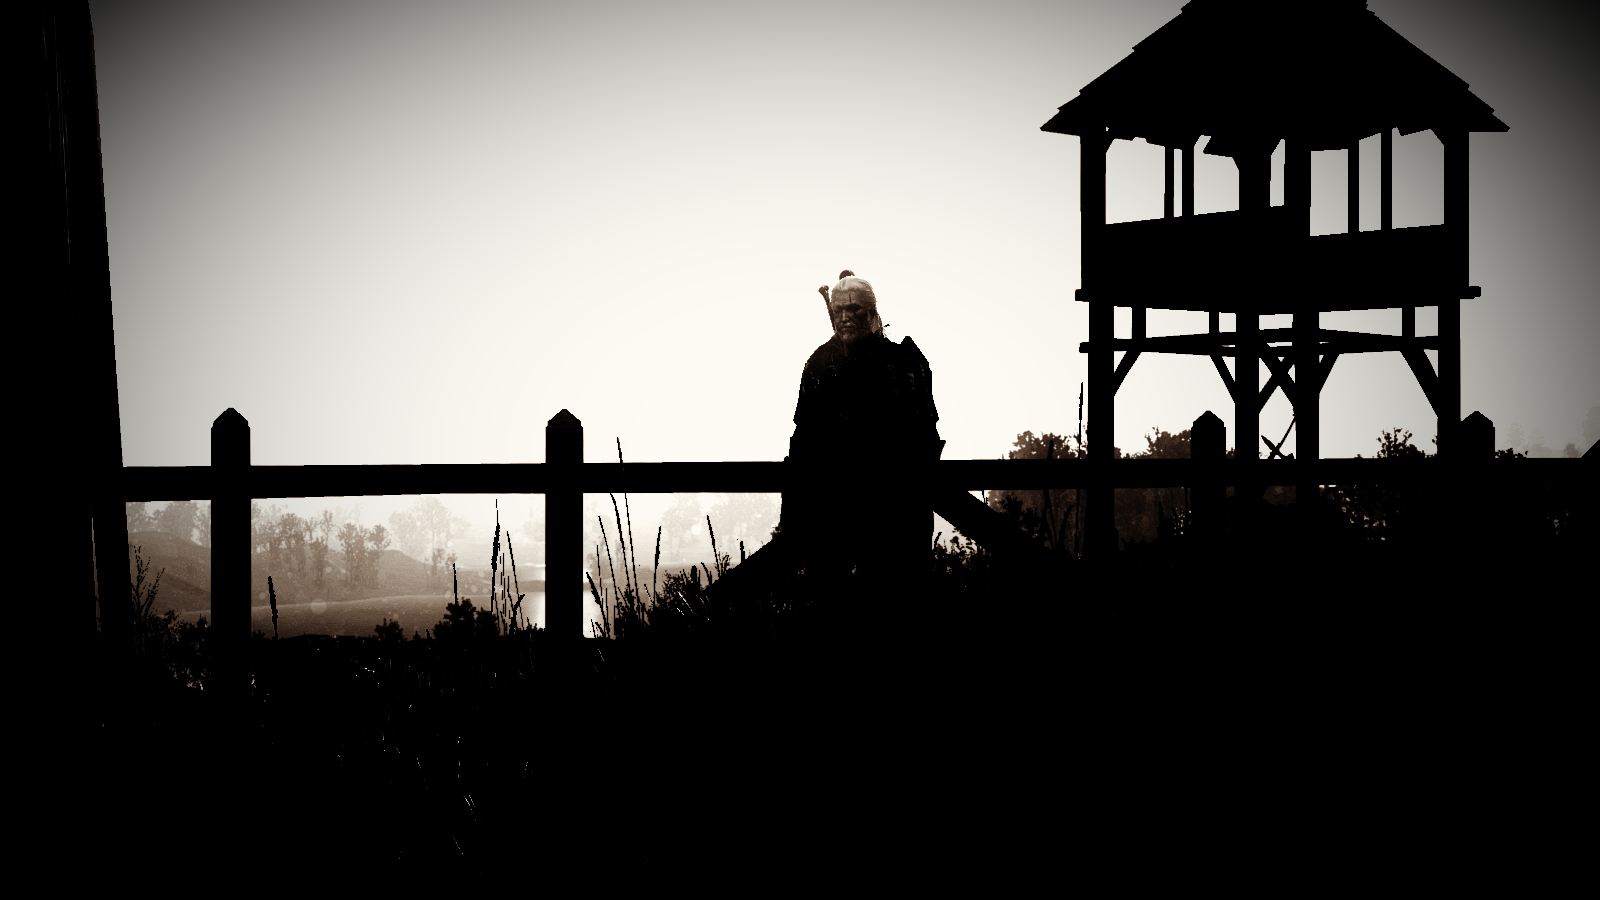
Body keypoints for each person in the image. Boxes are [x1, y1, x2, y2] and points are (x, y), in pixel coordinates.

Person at [778, 271, 943, 603]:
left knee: (891, 600)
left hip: (891, 511)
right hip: (831, 511)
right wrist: (794, 517)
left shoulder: (903, 363)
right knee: (829, 602)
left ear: (870, 312)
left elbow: (922, 438)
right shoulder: (820, 363)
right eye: (838, 310)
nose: (844, 317)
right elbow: (803, 438)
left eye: (853, 309)